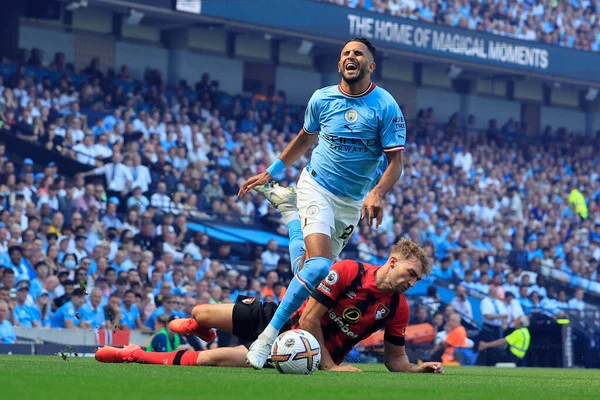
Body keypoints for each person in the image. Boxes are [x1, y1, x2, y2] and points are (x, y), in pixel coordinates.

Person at [238, 37, 407, 369]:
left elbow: (395, 163)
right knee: (319, 267)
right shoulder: (322, 99)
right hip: (316, 185)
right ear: (339, 63)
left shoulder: (385, 106)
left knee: (306, 272)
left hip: (349, 202)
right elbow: (305, 137)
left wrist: (377, 193)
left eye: (358, 53)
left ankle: (289, 213)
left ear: (370, 66)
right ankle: (266, 339)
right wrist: (271, 171)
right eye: (346, 53)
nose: (350, 56)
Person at [96, 239, 442, 374]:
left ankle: (132, 354)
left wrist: (417, 368)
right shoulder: (349, 271)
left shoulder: (397, 308)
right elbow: (309, 316)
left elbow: (395, 360)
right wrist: (332, 366)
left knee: (212, 359)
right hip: (279, 319)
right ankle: (202, 327)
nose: (411, 283)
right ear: (393, 261)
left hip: (291, 348)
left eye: (416, 280)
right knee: (200, 312)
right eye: (410, 274)